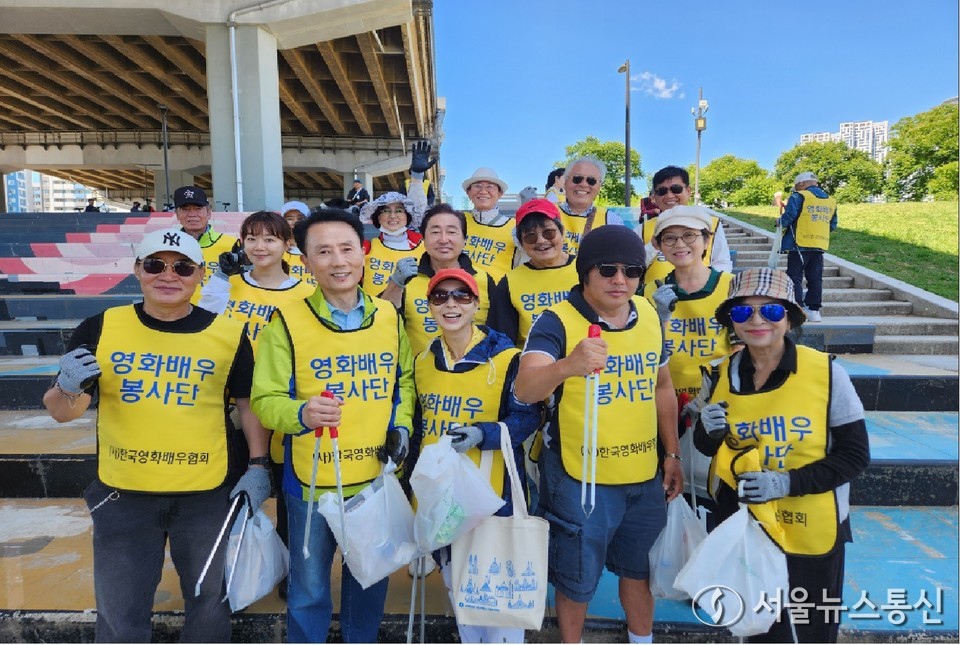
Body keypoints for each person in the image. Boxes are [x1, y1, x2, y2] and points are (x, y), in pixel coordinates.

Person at [42, 227, 269, 642]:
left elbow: (247, 404)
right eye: (155, 264)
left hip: (206, 494)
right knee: (120, 612)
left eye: (182, 267)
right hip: (123, 493)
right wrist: (67, 387)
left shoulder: (228, 334)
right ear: (137, 270)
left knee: (208, 602)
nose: (169, 275)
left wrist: (258, 466)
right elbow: (62, 412)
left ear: (200, 274)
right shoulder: (101, 327)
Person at [250, 208, 415, 643]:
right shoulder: (284, 323)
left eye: (346, 249)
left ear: (363, 254)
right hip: (310, 483)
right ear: (305, 262)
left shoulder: (388, 316)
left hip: (373, 479)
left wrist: (401, 426)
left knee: (370, 576)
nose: (338, 261)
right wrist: (300, 415)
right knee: (308, 590)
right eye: (323, 252)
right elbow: (265, 402)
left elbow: (403, 382)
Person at [514, 226, 683, 644]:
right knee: (577, 579)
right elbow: (524, 388)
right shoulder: (557, 319)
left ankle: (641, 639)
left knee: (637, 570)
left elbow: (662, 386)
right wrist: (567, 366)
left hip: (643, 475)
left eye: (632, 271)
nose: (620, 280)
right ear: (585, 273)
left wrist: (673, 453)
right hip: (579, 478)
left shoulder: (647, 313)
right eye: (607, 269)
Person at [694, 267, 869, 643]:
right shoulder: (720, 373)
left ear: (789, 318)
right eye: (743, 313)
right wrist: (705, 430)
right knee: (756, 625)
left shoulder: (827, 373)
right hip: (745, 523)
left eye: (771, 311)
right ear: (731, 323)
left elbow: (855, 455)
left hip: (810, 521)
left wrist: (786, 482)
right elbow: (708, 448)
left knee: (811, 627)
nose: (756, 320)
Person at [409, 267, 543, 644]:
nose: (450, 304)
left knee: (498, 596)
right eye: (440, 297)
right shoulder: (422, 361)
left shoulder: (507, 358)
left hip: (492, 493)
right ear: (430, 306)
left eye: (461, 296)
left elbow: (528, 416)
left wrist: (483, 433)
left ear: (476, 303)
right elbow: (420, 424)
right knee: (459, 590)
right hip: (441, 497)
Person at [640, 205, 734, 517]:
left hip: (717, 407)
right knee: (668, 493)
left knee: (715, 496)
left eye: (690, 236)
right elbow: (645, 353)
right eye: (670, 238)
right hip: (666, 406)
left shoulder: (731, 287)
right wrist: (659, 317)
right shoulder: (652, 291)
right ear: (658, 246)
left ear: (707, 240)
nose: (680, 244)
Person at [380, 203, 498, 356]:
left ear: (464, 240)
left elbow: (499, 332)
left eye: (451, 232)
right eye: (435, 232)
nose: (443, 239)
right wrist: (396, 283)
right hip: (421, 374)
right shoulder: (407, 277)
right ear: (423, 239)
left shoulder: (483, 279)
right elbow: (384, 323)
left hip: (476, 373)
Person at [490, 198, 578, 346]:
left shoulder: (587, 270)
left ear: (562, 232)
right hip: (533, 365)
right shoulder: (510, 283)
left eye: (549, 233)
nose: (541, 241)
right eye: (530, 236)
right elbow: (502, 342)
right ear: (521, 243)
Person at [641, 166, 733, 284]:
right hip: (653, 296)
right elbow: (633, 266)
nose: (669, 196)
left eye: (676, 189)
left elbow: (722, 261)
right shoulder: (643, 228)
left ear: (688, 191)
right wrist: (652, 247)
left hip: (702, 297)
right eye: (662, 191)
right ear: (654, 197)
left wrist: (708, 285)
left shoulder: (712, 224)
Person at [778, 171, 837, 323]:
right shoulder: (831, 201)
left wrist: (779, 222)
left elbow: (789, 216)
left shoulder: (799, 196)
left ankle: (797, 308)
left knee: (794, 277)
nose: (796, 190)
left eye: (797, 187)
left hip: (799, 243)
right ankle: (814, 311)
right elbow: (832, 224)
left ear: (801, 184)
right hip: (819, 244)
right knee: (815, 278)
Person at [173, 185, 239, 296]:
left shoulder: (233, 245)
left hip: (222, 312)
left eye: (198, 208)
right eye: (185, 209)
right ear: (177, 214)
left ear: (209, 212)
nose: (192, 214)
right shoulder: (167, 247)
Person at [557, 156, 630, 255]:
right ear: (565, 182)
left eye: (591, 181)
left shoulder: (611, 221)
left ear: (599, 187)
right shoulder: (546, 214)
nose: (583, 184)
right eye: (577, 179)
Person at [358, 191, 424, 294]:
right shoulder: (366, 248)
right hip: (377, 308)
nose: (393, 216)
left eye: (399, 210)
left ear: (407, 216)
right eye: (386, 211)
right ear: (378, 217)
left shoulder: (426, 247)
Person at [457, 167, 516, 281]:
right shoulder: (457, 221)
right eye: (477, 186)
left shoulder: (515, 227)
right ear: (468, 193)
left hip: (497, 295)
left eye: (490, 186)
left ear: (500, 194)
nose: (483, 191)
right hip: (458, 293)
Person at [280, 200, 313, 285]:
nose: (295, 221)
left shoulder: (317, 246)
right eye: (289, 219)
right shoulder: (278, 248)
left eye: (300, 218)